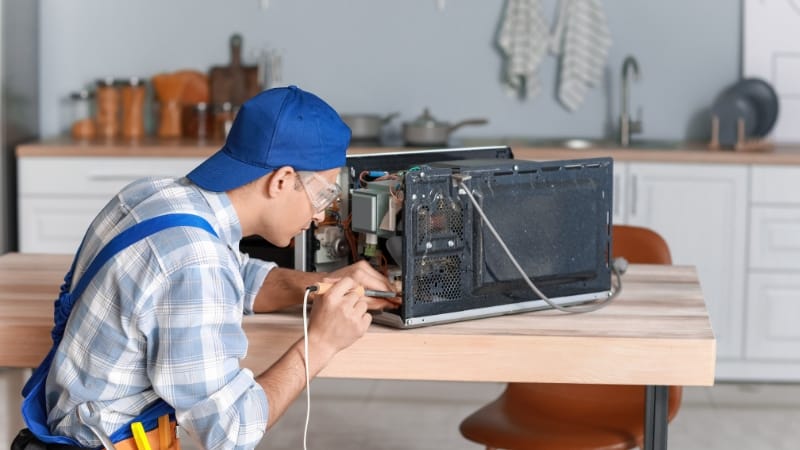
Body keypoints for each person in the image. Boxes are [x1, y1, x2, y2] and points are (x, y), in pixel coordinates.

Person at [24, 85, 399, 449]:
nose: (320, 215)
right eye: (322, 194)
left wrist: (324, 285)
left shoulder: (153, 194)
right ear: (282, 180)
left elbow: (238, 277)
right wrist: (321, 342)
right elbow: (231, 432)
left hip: (69, 422)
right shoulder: (196, 259)